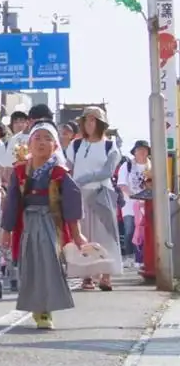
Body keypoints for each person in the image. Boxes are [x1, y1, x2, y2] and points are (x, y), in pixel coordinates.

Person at [1, 122, 84, 329]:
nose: (42, 143)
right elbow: (12, 202)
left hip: (50, 222)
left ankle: (47, 310)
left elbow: (72, 204)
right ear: (28, 144)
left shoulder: (60, 173)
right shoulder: (20, 171)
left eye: (48, 138)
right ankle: (36, 307)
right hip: (27, 222)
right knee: (30, 265)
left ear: (55, 146)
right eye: (37, 138)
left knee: (50, 264)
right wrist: (6, 231)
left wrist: (77, 235)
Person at [64, 106, 122, 290]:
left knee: (106, 235)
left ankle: (106, 275)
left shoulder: (110, 145)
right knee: (83, 236)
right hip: (79, 195)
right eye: (86, 120)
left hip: (101, 194)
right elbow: (68, 166)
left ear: (100, 123)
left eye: (93, 120)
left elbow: (108, 171)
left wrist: (87, 177)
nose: (89, 124)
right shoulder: (76, 145)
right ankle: (86, 276)